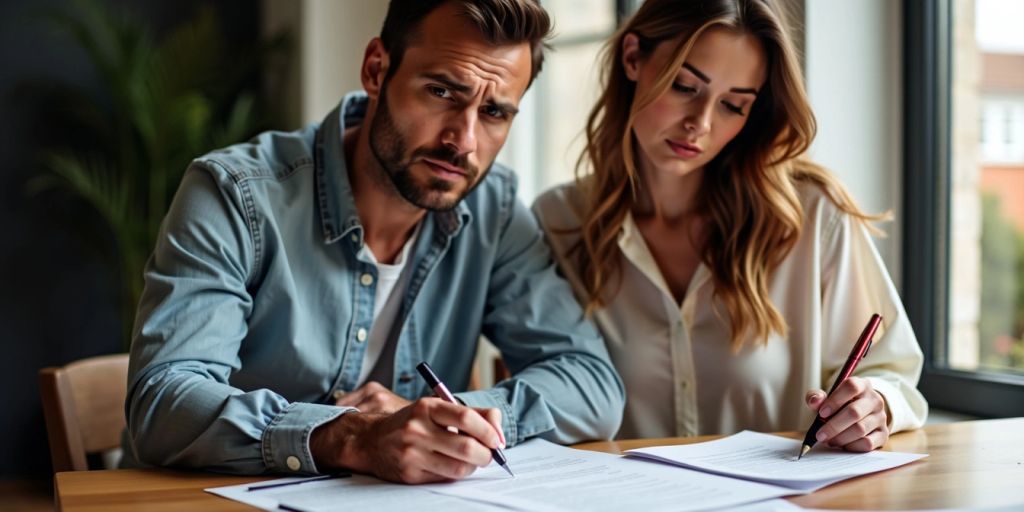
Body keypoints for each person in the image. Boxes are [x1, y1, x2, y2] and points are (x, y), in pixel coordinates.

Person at [123, 0, 624, 484]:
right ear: (376, 70)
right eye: (443, 93)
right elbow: (163, 402)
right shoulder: (235, 194)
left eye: (494, 112)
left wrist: (448, 417)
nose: (464, 140)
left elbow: (592, 385)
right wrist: (352, 438)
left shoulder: (493, 212)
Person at [533, 0, 927, 450]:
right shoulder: (559, 222)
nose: (699, 124)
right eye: (684, 86)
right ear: (632, 58)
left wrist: (877, 403)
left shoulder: (812, 216)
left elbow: (891, 372)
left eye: (733, 106)